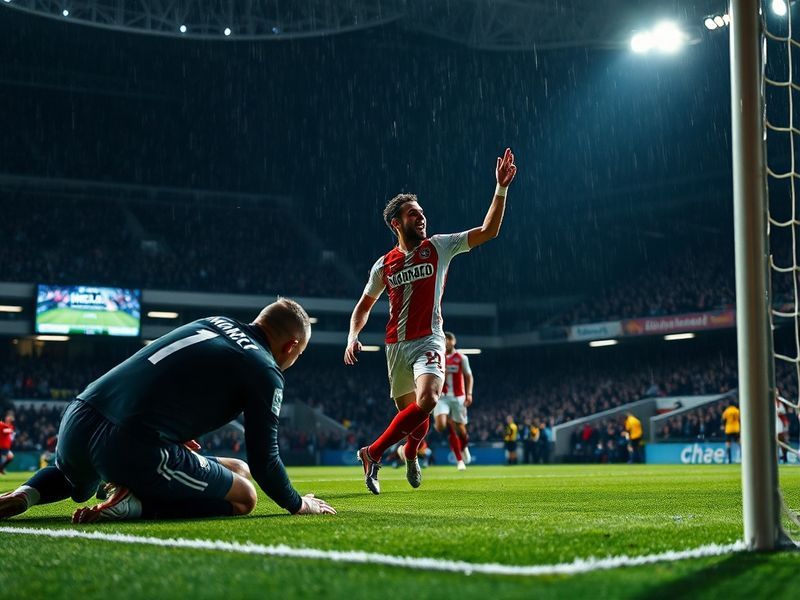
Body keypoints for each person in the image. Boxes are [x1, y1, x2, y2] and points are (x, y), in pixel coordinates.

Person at [0, 298, 335, 522]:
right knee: (245, 496)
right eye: (299, 353)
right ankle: (135, 503)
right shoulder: (265, 369)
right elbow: (266, 459)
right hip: (132, 444)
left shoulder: (213, 322)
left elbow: (169, 377)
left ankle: (25, 494)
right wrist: (298, 503)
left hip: (79, 416)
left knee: (238, 468)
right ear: (291, 346)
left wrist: (177, 430)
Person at [344, 148, 517, 494]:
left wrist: (500, 189)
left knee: (428, 401)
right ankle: (411, 451)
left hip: (429, 339)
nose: (421, 218)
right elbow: (364, 305)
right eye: (413, 215)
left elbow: (488, 231)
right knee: (414, 420)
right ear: (397, 223)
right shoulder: (383, 265)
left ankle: (373, 452)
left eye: (422, 213)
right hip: (396, 346)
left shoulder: (439, 246)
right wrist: (352, 335)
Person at [429, 331, 473, 471]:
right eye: (444, 340)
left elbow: (468, 376)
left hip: (458, 397)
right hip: (442, 397)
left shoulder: (461, 357)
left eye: (448, 339)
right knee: (441, 426)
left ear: (453, 341)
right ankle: (460, 461)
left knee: (460, 430)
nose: (446, 342)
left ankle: (464, 447)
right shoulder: (437, 357)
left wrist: (469, 394)